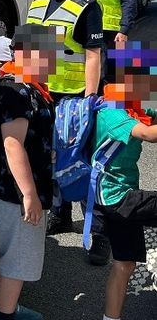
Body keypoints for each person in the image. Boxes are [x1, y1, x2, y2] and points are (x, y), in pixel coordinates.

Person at [27, 0, 107, 263]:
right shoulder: (36, 2)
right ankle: (60, 213)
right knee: (51, 158)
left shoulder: (87, 6)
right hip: (44, 95)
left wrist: (89, 99)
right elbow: (29, 52)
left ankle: (98, 233)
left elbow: (92, 54)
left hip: (75, 98)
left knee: (83, 161)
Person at [0, 34, 55, 320]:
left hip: (12, 189)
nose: (54, 60)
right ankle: (3, 314)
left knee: (11, 253)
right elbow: (12, 144)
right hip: (15, 193)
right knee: (18, 258)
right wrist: (30, 195)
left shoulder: (23, 85)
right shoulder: (15, 90)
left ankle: (5, 307)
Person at [90, 41, 157, 320]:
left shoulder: (132, 104)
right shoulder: (111, 112)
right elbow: (149, 134)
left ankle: (111, 318)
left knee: (125, 263)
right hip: (115, 197)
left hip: (123, 195)